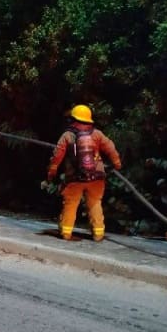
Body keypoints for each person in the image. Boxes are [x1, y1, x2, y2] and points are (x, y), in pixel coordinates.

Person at [47, 104, 122, 242]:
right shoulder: (97, 134)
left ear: (73, 119)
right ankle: (98, 234)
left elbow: (57, 155)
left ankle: (66, 232)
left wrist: (52, 170)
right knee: (95, 203)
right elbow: (110, 147)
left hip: (75, 178)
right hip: (97, 177)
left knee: (71, 203)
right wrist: (117, 163)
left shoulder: (67, 135)